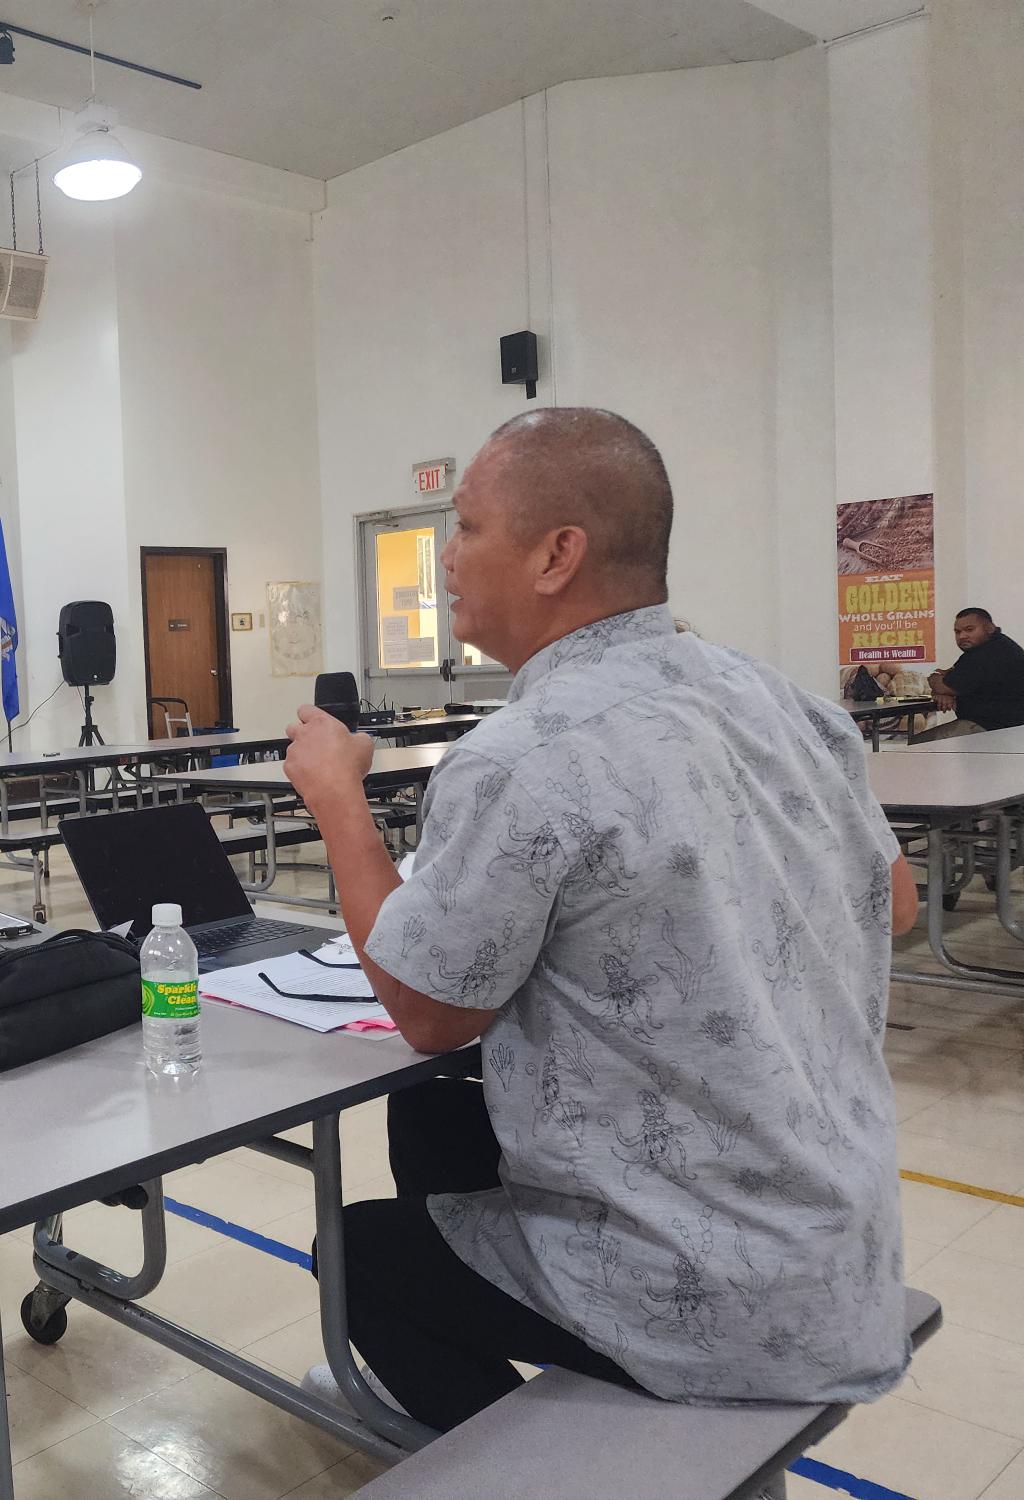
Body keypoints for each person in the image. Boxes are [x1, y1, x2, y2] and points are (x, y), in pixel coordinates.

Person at [283, 407, 918, 1433]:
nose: (446, 558)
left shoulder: (522, 754)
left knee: (356, 1257)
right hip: (832, 1238)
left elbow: (428, 1012)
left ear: (554, 555)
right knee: (436, 1114)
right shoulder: (782, 701)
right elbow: (893, 902)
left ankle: (511, 1458)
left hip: (701, 1279)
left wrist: (336, 801)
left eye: (466, 528)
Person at [919, 608, 1024, 740]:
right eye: (957, 632)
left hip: (995, 730)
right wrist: (944, 693)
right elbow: (950, 680)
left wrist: (937, 680)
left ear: (990, 628)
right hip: (1005, 729)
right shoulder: (994, 646)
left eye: (969, 630)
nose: (962, 636)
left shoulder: (987, 654)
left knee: (919, 743)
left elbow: (943, 685)